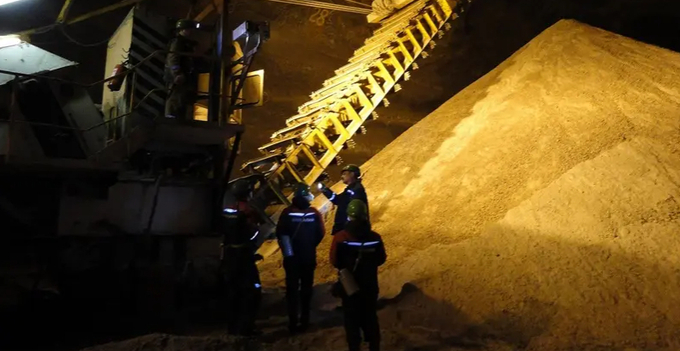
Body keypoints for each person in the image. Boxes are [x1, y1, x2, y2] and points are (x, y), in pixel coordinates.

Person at [330, 200, 386, 351]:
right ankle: (374, 346)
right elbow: (381, 259)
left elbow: (335, 261)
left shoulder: (341, 237)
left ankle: (355, 347)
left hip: (350, 286)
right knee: (370, 317)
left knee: (351, 320)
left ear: (349, 216)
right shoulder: (375, 237)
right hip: (370, 285)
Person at [276, 183, 325, 333]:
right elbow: (320, 233)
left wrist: (289, 254)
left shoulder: (287, 212)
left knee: (292, 289)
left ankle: (292, 321)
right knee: (306, 288)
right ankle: (305, 320)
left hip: (292, 258)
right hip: (308, 256)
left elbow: (281, 234)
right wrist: (310, 246)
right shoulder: (314, 213)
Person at [220, 178, 263, 336]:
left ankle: (232, 327)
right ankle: (247, 328)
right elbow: (255, 231)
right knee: (251, 292)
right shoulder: (249, 211)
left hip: (229, 256)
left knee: (233, 292)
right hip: (244, 257)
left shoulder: (228, 210)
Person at [164, 19, 199, 120]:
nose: (190, 32)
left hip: (184, 75)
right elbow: (173, 58)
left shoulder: (186, 43)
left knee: (181, 99)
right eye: (188, 29)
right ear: (182, 30)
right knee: (175, 97)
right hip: (177, 76)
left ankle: (179, 118)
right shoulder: (178, 42)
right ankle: (170, 118)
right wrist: (177, 73)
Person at [319, 164, 369, 235]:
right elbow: (337, 200)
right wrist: (324, 190)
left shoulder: (356, 190)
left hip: (351, 231)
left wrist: (348, 228)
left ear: (352, 174)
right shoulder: (351, 189)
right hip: (347, 229)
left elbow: (355, 212)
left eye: (344, 174)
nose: (342, 176)